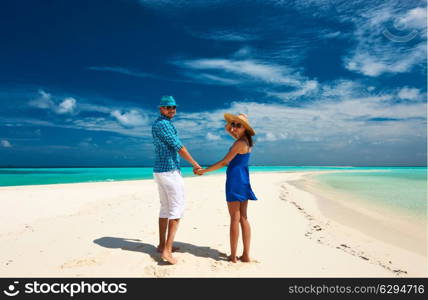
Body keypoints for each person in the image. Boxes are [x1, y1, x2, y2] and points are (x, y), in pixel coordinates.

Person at [196, 113, 257, 263]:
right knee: (243, 217)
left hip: (235, 181)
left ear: (245, 128)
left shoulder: (239, 143)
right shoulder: (246, 141)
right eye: (234, 124)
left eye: (238, 125)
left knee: (235, 219)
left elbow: (224, 162)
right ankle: (246, 255)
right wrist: (232, 124)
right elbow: (227, 129)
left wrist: (204, 171)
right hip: (243, 180)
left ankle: (234, 256)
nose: (234, 128)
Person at [152, 95, 201, 264]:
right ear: (161, 109)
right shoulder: (163, 124)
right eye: (168, 107)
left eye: (174, 107)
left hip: (160, 171)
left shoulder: (161, 124)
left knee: (165, 208)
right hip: (169, 171)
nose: (172, 110)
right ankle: (166, 250)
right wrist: (195, 164)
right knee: (176, 209)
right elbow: (178, 146)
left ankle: (161, 245)